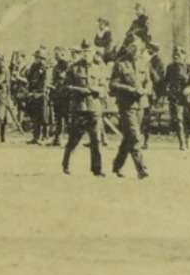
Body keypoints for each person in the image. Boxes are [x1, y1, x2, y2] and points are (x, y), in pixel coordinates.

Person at [61, 41, 105, 177]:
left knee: (96, 139)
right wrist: (80, 90)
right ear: (81, 53)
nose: (86, 54)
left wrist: (99, 90)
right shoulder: (73, 68)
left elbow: (104, 86)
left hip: (93, 108)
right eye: (84, 51)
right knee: (74, 138)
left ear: (93, 53)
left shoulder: (99, 68)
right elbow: (66, 87)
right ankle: (66, 164)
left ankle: (97, 169)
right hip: (79, 108)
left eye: (89, 51)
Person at [108, 44, 149, 179]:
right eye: (133, 47)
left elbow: (149, 82)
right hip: (126, 105)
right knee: (135, 137)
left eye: (139, 48)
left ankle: (117, 165)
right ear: (128, 48)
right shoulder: (120, 64)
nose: (136, 50)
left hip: (141, 104)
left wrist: (146, 89)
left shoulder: (144, 62)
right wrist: (130, 89)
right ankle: (141, 169)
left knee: (128, 138)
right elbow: (113, 84)